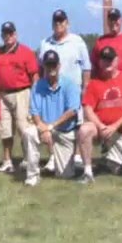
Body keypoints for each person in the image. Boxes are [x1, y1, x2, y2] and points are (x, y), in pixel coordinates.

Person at [77, 46, 122, 184]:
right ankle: (87, 172)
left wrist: (114, 126)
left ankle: (110, 160)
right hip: (101, 131)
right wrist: (100, 126)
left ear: (116, 61)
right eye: (104, 60)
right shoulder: (94, 83)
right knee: (84, 129)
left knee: (115, 169)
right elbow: (88, 109)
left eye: (110, 60)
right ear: (99, 62)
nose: (107, 63)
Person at [38, 9, 92, 171]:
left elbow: (86, 67)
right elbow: (41, 69)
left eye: (61, 21)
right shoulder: (45, 43)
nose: (58, 24)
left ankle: (75, 156)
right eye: (56, 21)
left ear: (67, 23)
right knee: (52, 124)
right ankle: (53, 156)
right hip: (52, 91)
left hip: (73, 91)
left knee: (75, 125)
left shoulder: (77, 42)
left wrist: (85, 88)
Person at [22, 50, 81, 187]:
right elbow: (34, 111)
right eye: (48, 65)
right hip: (45, 128)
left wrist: (50, 127)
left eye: (53, 65)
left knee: (65, 176)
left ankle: (67, 163)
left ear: (59, 66)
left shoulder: (70, 85)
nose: (51, 68)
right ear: (44, 67)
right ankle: (32, 176)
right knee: (29, 133)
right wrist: (43, 128)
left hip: (64, 132)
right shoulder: (38, 85)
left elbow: (72, 111)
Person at [0, 22, 39, 173]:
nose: (8, 36)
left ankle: (28, 158)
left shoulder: (26, 52)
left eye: (10, 33)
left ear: (15, 34)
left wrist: (34, 96)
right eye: (5, 33)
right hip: (2, 94)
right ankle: (7, 160)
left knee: (23, 127)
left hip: (21, 92)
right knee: (5, 129)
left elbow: (34, 75)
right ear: (2, 35)